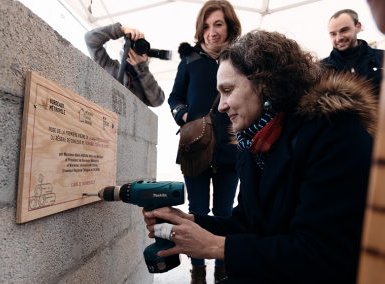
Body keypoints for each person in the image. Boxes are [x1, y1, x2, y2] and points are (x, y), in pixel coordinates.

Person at [144, 30, 377, 283]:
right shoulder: (253, 143)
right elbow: (247, 223)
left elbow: (321, 256)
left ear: (265, 85)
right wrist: (190, 221)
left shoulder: (335, 135)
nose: (221, 106)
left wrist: (215, 246)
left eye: (228, 90)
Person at [167, 1, 241, 283]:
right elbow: (174, 97)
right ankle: (197, 273)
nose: (212, 32)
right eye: (207, 26)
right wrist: (185, 116)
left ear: (229, 26)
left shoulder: (239, 58)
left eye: (218, 24)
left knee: (224, 212)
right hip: (194, 147)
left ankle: (222, 271)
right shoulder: (190, 59)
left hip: (231, 147)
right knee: (196, 211)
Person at [84, 23, 164, 107]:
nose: (138, 53)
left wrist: (142, 67)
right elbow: (90, 39)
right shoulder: (109, 66)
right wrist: (122, 30)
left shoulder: (145, 84)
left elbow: (158, 101)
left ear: (147, 59)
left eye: (142, 51)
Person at [323, 9, 383, 94]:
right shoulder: (321, 69)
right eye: (333, 34)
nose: (338, 38)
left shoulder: (382, 58)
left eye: (344, 30)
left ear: (358, 27)